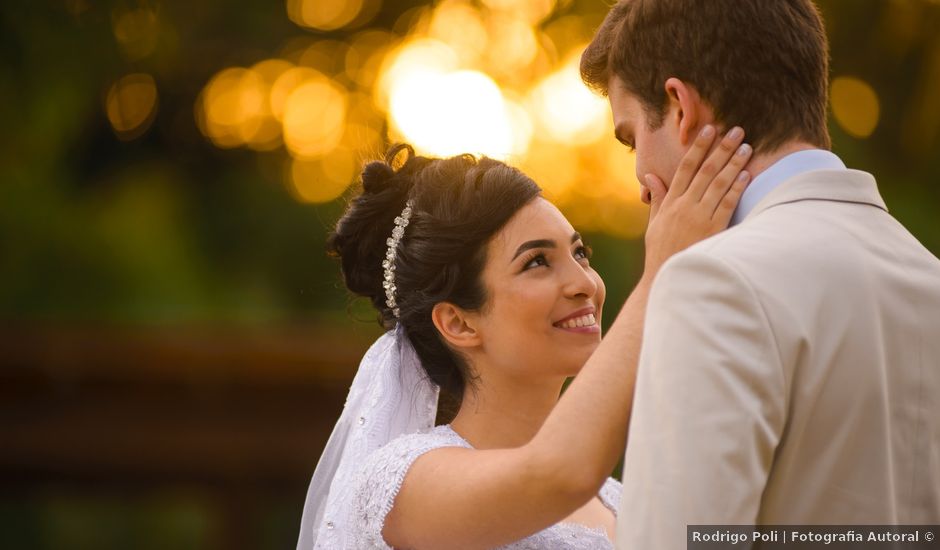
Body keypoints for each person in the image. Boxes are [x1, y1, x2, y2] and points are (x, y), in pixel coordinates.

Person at [579, 0, 940, 548]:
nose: (638, 180)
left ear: (681, 109)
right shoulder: (927, 276)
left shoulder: (710, 282)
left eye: (631, 139)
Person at [297, 133, 752, 549]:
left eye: (579, 253)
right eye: (537, 262)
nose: (584, 284)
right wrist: (662, 276)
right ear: (458, 323)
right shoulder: (404, 484)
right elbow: (557, 473)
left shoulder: (620, 503)